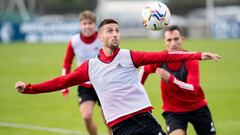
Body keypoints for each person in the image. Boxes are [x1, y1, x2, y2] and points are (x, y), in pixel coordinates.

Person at [15, 19, 220, 135]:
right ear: (101, 36)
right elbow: (61, 81)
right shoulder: (90, 67)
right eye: (110, 31)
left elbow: (165, 55)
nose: (115, 34)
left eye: (117, 30)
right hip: (119, 128)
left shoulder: (130, 56)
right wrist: (30, 88)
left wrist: (199, 55)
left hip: (144, 121)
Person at [139, 25, 217, 135]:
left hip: (197, 108)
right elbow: (144, 69)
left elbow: (193, 89)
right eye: (169, 40)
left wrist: (170, 79)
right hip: (174, 111)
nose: (173, 43)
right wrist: (137, 89)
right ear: (164, 42)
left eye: (176, 39)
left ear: (182, 39)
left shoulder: (191, 60)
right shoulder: (161, 59)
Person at [61, 10, 111, 135]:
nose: (87, 26)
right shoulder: (74, 41)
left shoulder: (102, 39)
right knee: (86, 117)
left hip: (103, 84)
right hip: (84, 86)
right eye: (84, 23)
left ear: (95, 25)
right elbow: (67, 62)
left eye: (90, 23)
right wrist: (64, 86)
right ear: (80, 25)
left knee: (108, 119)